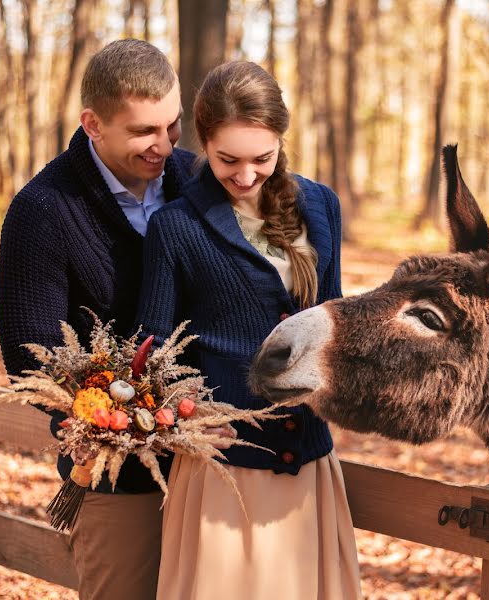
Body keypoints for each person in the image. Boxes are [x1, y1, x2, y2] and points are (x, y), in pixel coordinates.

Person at [135, 61, 362, 600]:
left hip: (308, 461)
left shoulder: (321, 206)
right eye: (226, 160)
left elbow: (331, 320)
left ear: (282, 141)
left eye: (262, 158)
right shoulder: (176, 227)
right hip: (223, 470)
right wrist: (185, 415)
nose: (244, 176)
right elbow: (152, 347)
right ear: (202, 144)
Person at [0, 39, 194, 599]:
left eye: (172, 125)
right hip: (114, 473)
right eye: (143, 132)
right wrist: (127, 417)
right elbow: (31, 354)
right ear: (93, 124)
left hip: (214, 467)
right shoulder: (42, 211)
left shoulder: (199, 183)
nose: (164, 146)